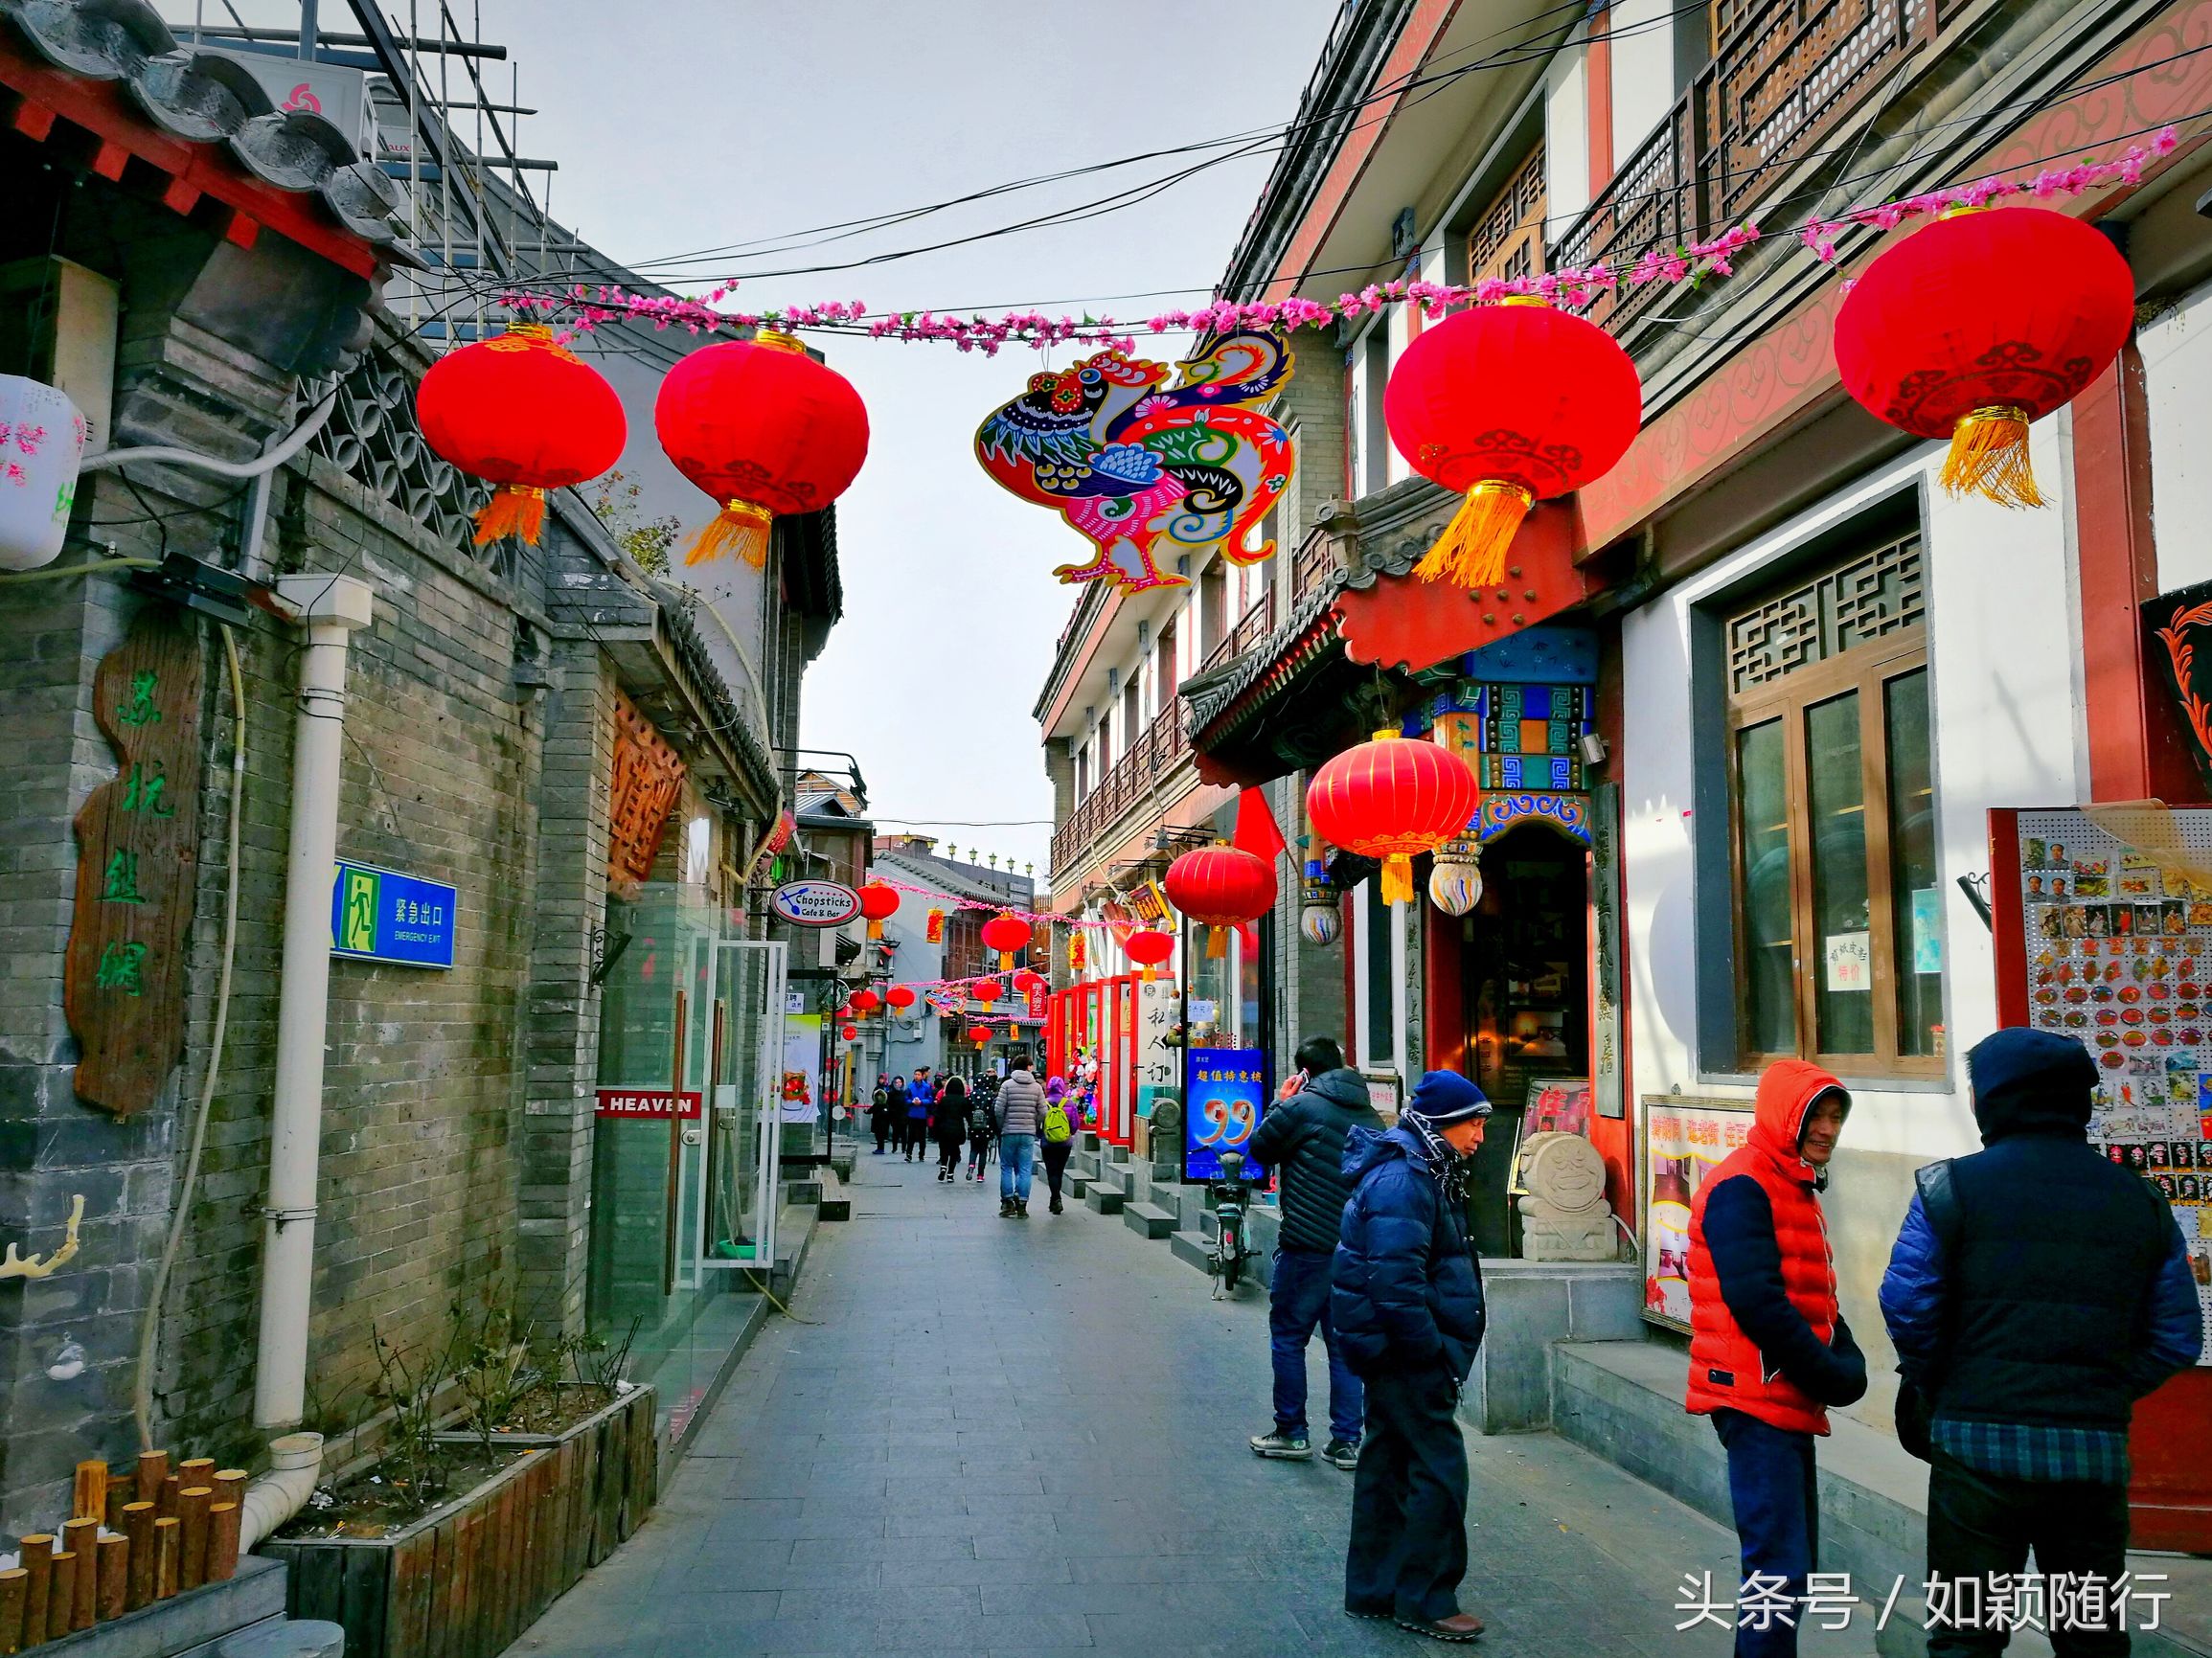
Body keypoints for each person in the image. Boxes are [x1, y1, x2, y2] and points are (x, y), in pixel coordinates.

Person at [1880, 1029, 2203, 1658]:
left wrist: (1944, 1382)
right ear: (2076, 1101)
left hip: (1973, 1450)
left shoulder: (1948, 1189)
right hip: (2089, 1456)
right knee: (2090, 1637)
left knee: (1964, 1635)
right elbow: (2176, 1335)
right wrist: (2104, 1388)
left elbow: (1906, 1305)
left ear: (1990, 1100)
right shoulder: (2139, 1200)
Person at [1684, 1060, 1866, 1658]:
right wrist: (1830, 1371)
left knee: (1790, 1565)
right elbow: (1756, 1301)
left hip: (1783, 1393)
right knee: (1778, 1567)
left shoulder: (1792, 1182)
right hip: (1753, 1394)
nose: (1828, 1129)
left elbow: (1810, 1292)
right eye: (1816, 1116)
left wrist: (1844, 1352)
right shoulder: (1743, 1185)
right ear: (1785, 1117)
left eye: (1836, 1117)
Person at [1332, 1070, 1493, 1645]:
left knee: (1388, 1463)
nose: (1480, 1136)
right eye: (1472, 1124)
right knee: (1439, 1470)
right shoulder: (1406, 1177)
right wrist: (1432, 1354)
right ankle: (1426, 1598)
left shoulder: (1420, 1167)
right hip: (1403, 1353)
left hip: (1388, 1348)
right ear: (1442, 1123)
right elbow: (1396, 1286)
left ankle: (1375, 1588)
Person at [1247, 1035, 1382, 1469]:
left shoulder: (1301, 1107)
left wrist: (1279, 1102)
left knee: (1289, 1337)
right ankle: (1347, 1440)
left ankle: (1291, 1431)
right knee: (1342, 1344)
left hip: (1306, 1244)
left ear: (1304, 1072)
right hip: (1353, 1248)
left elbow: (1260, 1149)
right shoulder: (1371, 1114)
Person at [994, 1053, 1046, 1217]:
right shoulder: (1037, 1087)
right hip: (1028, 1133)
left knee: (1006, 1167)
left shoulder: (1007, 1085)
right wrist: (1034, 1124)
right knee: (1024, 1168)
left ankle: (1007, 1202)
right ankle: (1022, 1203)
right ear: (1028, 1067)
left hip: (1009, 1132)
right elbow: (1043, 1111)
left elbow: (998, 1110)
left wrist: (1003, 1126)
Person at [1037, 1075, 1078, 1214]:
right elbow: (1075, 1125)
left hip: (1048, 1143)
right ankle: (1055, 1199)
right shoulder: (1069, 1104)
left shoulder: (1044, 1103)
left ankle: (1056, 1198)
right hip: (1065, 1144)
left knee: (1051, 1171)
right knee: (1059, 1171)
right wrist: (1068, 1134)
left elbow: (1038, 1122)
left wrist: (1040, 1135)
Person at [932, 1074, 972, 1183]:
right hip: (957, 1128)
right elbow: (969, 1116)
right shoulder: (963, 1100)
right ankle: (950, 1173)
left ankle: (943, 1167)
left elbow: (937, 1115)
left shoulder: (944, 1100)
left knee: (944, 1149)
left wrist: (935, 1129)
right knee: (954, 1151)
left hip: (944, 1128)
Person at [967, 1073, 998, 1183]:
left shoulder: (971, 1095)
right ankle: (980, 1175)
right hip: (986, 1126)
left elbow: (967, 1111)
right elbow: (993, 1111)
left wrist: (970, 1122)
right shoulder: (990, 1095)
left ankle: (971, 1165)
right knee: (983, 1151)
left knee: (973, 1148)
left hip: (973, 1126)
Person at [903, 1067, 936, 1162]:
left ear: (922, 1076)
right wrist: (912, 1101)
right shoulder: (910, 1086)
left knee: (922, 1136)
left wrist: (921, 1102)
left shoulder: (926, 1087)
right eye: (915, 1074)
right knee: (911, 1135)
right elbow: (906, 1098)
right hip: (912, 1113)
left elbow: (930, 1099)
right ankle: (909, 1154)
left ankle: (921, 1154)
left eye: (918, 1075)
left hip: (922, 1114)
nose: (916, 1076)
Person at [868, 1078, 897, 1155]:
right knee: (878, 1137)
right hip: (876, 1123)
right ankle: (879, 1148)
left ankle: (881, 1149)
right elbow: (869, 1111)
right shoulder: (876, 1105)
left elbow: (886, 1114)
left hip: (882, 1124)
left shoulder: (885, 1105)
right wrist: (866, 1111)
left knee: (880, 1137)